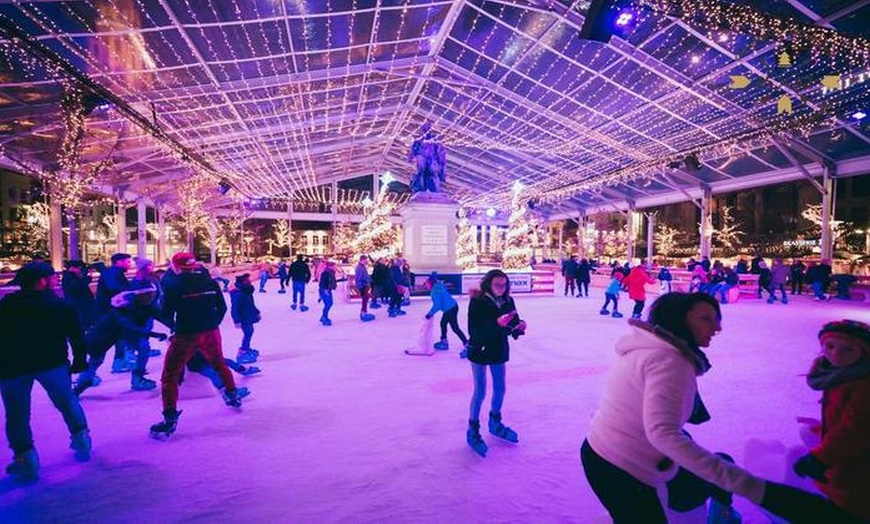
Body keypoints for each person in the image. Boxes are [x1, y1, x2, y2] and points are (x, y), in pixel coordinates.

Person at [582, 293, 862, 524]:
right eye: (706, 319)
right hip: (620, 465)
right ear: (679, 319)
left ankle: (714, 509)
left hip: (607, 449)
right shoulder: (670, 363)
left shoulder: (651, 349)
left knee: (698, 476)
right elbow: (663, 434)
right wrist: (748, 485)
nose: (717, 327)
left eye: (717, 319)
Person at [0, 262, 91, 480]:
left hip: (13, 368)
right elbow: (77, 337)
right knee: (67, 402)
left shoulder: (5, 307)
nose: (56, 280)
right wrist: (79, 361)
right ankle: (81, 438)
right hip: (53, 363)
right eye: (52, 277)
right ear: (42, 281)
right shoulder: (61, 306)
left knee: (17, 414)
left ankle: (25, 457)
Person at [150, 253, 242, 438]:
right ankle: (232, 395)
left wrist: (173, 323)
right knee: (218, 363)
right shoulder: (210, 282)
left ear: (176, 266)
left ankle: (169, 419)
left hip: (187, 334)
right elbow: (222, 307)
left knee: (170, 376)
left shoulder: (174, 286)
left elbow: (166, 313)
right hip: (210, 332)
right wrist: (211, 323)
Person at [794, 320, 870, 520]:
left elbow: (855, 430)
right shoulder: (840, 376)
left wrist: (820, 458)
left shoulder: (863, 385)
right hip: (844, 463)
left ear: (863, 353)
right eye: (830, 346)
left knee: (851, 509)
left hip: (859, 470)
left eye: (848, 349)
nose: (836, 354)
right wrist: (823, 429)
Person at [465, 269, 526, 457]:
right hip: (480, 350)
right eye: (497, 285)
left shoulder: (508, 301)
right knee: (480, 391)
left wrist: (518, 328)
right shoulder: (477, 301)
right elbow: (474, 330)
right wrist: (497, 324)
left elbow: (511, 325)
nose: (501, 288)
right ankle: (473, 430)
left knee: (500, 388)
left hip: (498, 349)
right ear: (488, 284)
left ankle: (495, 423)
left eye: (504, 285)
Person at [95, 253, 133, 373]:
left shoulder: (115, 273)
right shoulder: (113, 274)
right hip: (110, 312)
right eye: (127, 262)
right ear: (118, 262)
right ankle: (87, 373)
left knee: (119, 337)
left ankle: (119, 361)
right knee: (105, 341)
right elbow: (115, 288)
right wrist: (131, 293)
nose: (130, 264)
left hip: (113, 311)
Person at [424, 272, 468, 352]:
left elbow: (437, 305)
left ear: (430, 284)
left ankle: (464, 343)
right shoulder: (438, 286)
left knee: (453, 327)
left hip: (450, 309)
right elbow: (436, 280)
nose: (426, 286)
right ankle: (446, 341)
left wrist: (430, 313)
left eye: (427, 284)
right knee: (444, 324)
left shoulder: (435, 292)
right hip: (453, 306)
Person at [230, 273, 261, 364]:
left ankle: (246, 349)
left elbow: (251, 304)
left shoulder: (246, 291)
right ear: (243, 281)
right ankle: (243, 352)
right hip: (243, 317)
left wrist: (256, 312)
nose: (250, 280)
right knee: (248, 332)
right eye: (248, 279)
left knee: (249, 332)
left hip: (248, 315)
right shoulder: (239, 293)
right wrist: (236, 320)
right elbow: (235, 308)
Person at [61, 260, 97, 331]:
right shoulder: (69, 277)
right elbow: (79, 286)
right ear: (71, 268)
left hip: (79, 303)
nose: (79, 270)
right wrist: (88, 278)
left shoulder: (72, 276)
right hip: (78, 303)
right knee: (82, 322)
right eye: (78, 268)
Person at [355, 256, 375, 322]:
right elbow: (359, 278)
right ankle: (363, 314)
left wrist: (369, 280)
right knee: (364, 300)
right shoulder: (359, 268)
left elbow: (365, 276)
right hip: (363, 287)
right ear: (363, 260)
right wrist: (362, 287)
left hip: (365, 286)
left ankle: (364, 313)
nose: (367, 261)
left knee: (365, 300)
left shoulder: (362, 267)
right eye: (366, 260)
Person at [318, 260, 337, 326]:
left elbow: (332, 282)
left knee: (329, 303)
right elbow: (322, 282)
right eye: (335, 266)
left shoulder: (331, 273)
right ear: (330, 266)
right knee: (328, 303)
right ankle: (324, 317)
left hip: (327, 290)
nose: (336, 267)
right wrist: (324, 290)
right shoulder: (326, 273)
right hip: (324, 290)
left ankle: (324, 316)